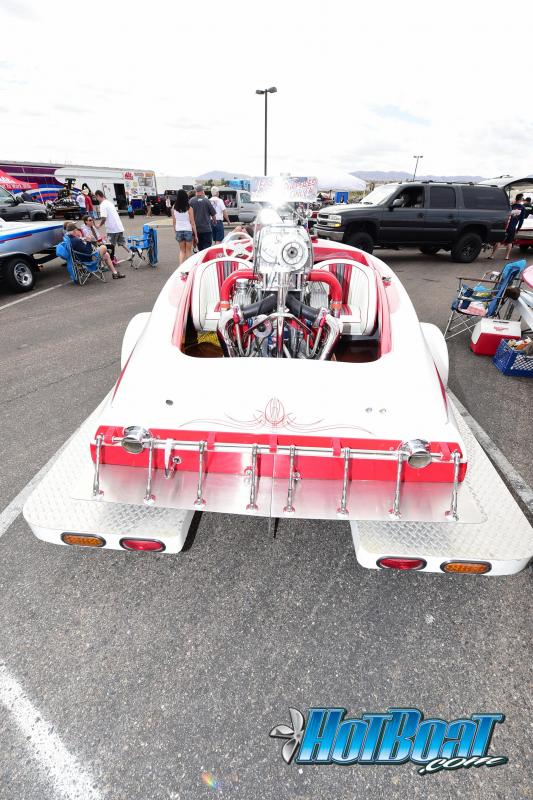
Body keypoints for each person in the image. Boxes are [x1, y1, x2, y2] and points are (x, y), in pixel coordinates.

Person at [94, 190, 132, 261]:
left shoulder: (102, 205)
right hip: (118, 226)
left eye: (96, 197)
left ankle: (111, 259)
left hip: (112, 228)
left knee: (110, 244)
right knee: (121, 242)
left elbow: (104, 218)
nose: (96, 199)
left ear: (98, 196)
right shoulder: (109, 202)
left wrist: (99, 225)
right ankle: (131, 252)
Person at [488, 193, 526, 260]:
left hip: (505, 225)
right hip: (512, 227)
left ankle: (492, 255)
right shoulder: (522, 208)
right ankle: (506, 256)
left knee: (499, 241)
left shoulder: (510, 206)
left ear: (516, 198)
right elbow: (521, 220)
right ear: (521, 199)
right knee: (509, 242)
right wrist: (518, 229)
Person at [172, 189, 198, 265]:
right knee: (188, 251)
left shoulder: (174, 208)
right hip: (188, 230)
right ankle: (189, 268)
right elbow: (192, 223)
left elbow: (174, 222)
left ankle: (181, 267)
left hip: (179, 230)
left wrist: (175, 232)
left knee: (182, 250)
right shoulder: (189, 208)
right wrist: (196, 235)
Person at [189, 184, 216, 251]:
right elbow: (213, 214)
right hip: (206, 229)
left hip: (196, 229)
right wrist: (215, 221)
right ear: (202, 191)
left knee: (200, 247)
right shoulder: (207, 201)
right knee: (207, 248)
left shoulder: (191, 201)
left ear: (196, 191)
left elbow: (188, 214)